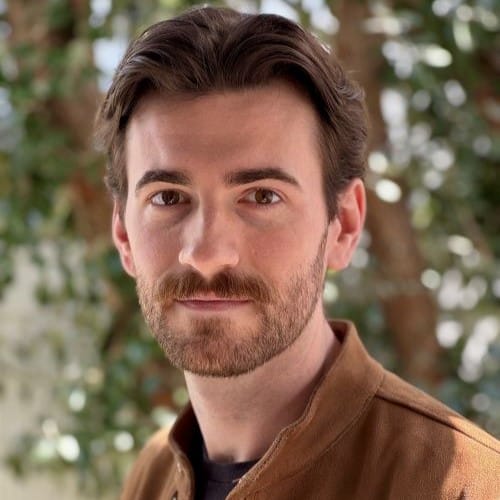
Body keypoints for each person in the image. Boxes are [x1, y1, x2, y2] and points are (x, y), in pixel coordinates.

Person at [95, 6, 499, 500]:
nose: (206, 253)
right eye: (167, 198)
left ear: (343, 225)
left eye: (262, 196)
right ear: (123, 234)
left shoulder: (467, 486)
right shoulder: (152, 477)